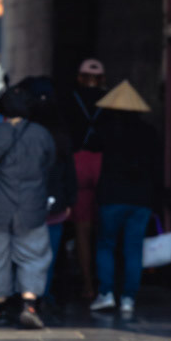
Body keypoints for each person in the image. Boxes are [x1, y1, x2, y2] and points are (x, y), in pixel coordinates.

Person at [0, 84, 58, 330]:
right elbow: (49, 165)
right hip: (32, 205)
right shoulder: (42, 134)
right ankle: (28, 304)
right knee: (34, 254)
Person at [90, 80, 163, 321]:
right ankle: (129, 298)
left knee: (106, 245)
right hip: (141, 199)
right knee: (133, 248)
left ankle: (106, 292)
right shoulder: (150, 133)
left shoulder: (105, 131)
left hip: (111, 196)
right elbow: (157, 168)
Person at [20, 76, 78, 309]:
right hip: (55, 200)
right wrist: (70, 198)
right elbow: (69, 170)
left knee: (26, 252)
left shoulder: (24, 133)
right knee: (50, 253)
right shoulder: (61, 134)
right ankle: (44, 293)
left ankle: (28, 295)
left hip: (28, 201)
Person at [66, 58, 107, 300]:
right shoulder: (112, 100)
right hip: (103, 164)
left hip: (78, 162)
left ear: (79, 77)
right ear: (102, 79)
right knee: (105, 229)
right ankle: (105, 281)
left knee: (82, 229)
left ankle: (87, 284)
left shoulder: (70, 99)